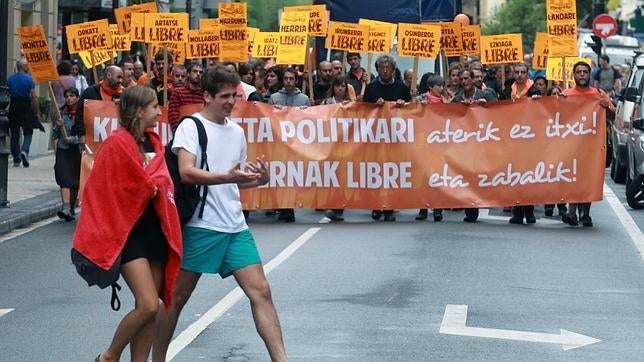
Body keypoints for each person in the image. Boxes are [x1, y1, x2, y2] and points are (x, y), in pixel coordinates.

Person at [153, 66, 287, 362]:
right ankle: (157, 358)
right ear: (207, 96)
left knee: (261, 292)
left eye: (235, 95)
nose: (231, 102)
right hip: (201, 225)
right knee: (176, 298)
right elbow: (187, 172)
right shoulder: (191, 127)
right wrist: (228, 177)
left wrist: (258, 180)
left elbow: (235, 176)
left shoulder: (236, 132)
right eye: (224, 96)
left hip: (235, 225)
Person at [73, 85, 182, 362]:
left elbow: (161, 180)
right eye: (154, 106)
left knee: (152, 309)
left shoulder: (154, 144)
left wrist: (155, 187)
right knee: (147, 304)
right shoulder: (116, 143)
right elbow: (105, 189)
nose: (159, 111)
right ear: (138, 110)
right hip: (127, 232)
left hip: (154, 231)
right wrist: (145, 187)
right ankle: (109, 356)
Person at [561, 61, 615, 227]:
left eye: (585, 72)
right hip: (571, 146)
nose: (582, 75)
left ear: (589, 74)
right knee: (573, 178)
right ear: (574, 75)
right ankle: (572, 211)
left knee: (588, 179)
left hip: (592, 147)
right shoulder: (566, 94)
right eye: (579, 72)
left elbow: (613, 117)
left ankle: (585, 214)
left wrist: (607, 108)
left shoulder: (599, 94)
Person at [363, 54, 411, 222]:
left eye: (388, 67)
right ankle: (376, 206)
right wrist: (373, 106)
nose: (385, 70)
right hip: (375, 137)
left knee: (391, 173)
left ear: (393, 70)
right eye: (382, 68)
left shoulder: (402, 89)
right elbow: (363, 111)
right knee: (375, 172)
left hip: (395, 139)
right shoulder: (370, 88)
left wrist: (403, 106)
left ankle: (389, 207)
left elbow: (412, 112)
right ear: (377, 70)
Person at [268, 67, 309, 222]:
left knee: (293, 176)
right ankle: (283, 206)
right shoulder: (274, 98)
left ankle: (289, 206)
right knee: (281, 175)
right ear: (282, 80)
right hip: (280, 143)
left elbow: (311, 121)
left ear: (296, 80)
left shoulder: (304, 99)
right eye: (286, 79)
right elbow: (268, 119)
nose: (288, 81)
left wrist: (306, 111)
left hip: (297, 144)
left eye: (291, 79)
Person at [452, 68, 490, 223]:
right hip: (465, 144)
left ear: (473, 79)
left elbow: (499, 113)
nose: (463, 82)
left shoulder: (485, 95)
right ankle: (470, 208)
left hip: (483, 142)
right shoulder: (457, 99)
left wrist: (484, 106)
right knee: (468, 175)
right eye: (461, 79)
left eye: (466, 78)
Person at [414, 74, 447, 222]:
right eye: (438, 86)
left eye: (442, 86)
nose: (441, 88)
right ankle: (423, 208)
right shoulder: (421, 100)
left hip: (440, 144)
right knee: (424, 176)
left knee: (438, 177)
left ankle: (438, 208)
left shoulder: (445, 101)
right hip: (424, 143)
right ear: (430, 87)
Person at [53, 87, 82, 221]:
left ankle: (70, 207)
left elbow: (85, 132)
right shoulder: (61, 113)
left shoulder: (82, 113)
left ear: (77, 97)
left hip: (77, 150)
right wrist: (58, 126)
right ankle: (65, 207)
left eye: (72, 96)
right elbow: (55, 134)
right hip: (63, 149)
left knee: (74, 180)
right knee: (64, 177)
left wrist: (74, 139)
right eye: (67, 96)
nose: (69, 98)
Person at [75, 65, 124, 147]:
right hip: (93, 142)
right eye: (118, 77)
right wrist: (81, 134)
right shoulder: (90, 92)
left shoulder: (123, 95)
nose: (120, 81)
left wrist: (123, 104)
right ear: (108, 75)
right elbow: (80, 113)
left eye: (121, 78)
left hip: (115, 142)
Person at [7, 58, 41, 168]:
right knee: (28, 131)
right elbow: (33, 96)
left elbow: (7, 94)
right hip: (26, 105)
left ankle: (16, 158)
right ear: (25, 67)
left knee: (14, 133)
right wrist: (36, 110)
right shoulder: (29, 79)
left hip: (14, 105)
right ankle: (24, 151)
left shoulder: (10, 79)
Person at [168, 62, 204, 132]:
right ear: (188, 74)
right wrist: (180, 134)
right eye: (195, 71)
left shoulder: (205, 94)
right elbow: (173, 117)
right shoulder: (178, 92)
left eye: (200, 72)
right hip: (184, 133)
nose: (198, 74)